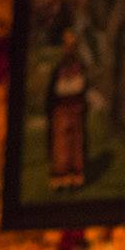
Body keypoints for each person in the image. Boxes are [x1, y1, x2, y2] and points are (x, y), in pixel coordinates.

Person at [47, 28, 90, 190]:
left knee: (76, 142)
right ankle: (60, 175)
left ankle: (75, 175)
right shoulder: (59, 68)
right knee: (61, 143)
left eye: (72, 46)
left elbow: (82, 86)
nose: (69, 49)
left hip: (76, 109)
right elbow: (54, 90)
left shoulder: (79, 67)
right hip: (61, 110)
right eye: (67, 45)